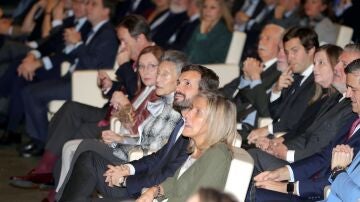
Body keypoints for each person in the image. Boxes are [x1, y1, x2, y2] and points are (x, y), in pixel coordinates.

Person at [9, 14, 153, 187]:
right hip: (111, 111)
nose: (121, 46)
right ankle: (46, 170)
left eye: (124, 41)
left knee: (77, 129)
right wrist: (109, 86)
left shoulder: (152, 59)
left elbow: (139, 94)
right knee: (69, 109)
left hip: (124, 120)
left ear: (140, 38)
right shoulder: (136, 57)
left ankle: (54, 183)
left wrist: (122, 67)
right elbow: (126, 88)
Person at [55, 64, 220, 201]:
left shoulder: (197, 131)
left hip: (147, 190)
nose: (178, 88)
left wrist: (125, 181)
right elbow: (158, 157)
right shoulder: (183, 122)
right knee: (88, 158)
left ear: (203, 94)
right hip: (142, 178)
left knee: (87, 153)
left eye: (187, 84)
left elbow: (170, 175)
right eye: (179, 82)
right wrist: (127, 169)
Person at [251, 57, 360, 201]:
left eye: (354, 89)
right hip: (312, 184)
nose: (348, 94)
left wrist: (287, 187)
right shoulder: (353, 118)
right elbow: (324, 156)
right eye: (348, 88)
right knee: (252, 185)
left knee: (253, 193)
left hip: (319, 192)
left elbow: (345, 188)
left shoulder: (349, 113)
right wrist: (280, 174)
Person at [248, 44, 351, 173]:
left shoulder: (339, 103)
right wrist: (275, 145)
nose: (315, 68)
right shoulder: (327, 98)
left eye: (321, 63)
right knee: (249, 155)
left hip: (305, 167)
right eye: (315, 63)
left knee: (251, 156)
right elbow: (300, 131)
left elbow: (313, 141)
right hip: (293, 152)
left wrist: (281, 149)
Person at [133, 92, 236, 202]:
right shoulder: (198, 150)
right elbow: (175, 182)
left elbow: (198, 199)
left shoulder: (217, 154)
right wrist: (153, 191)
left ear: (215, 122)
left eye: (197, 112)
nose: (186, 114)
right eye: (191, 108)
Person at [247, 26, 318, 145]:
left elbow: (294, 121)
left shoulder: (316, 82)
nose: (289, 57)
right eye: (287, 52)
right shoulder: (293, 76)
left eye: (295, 51)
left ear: (310, 51)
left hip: (290, 142)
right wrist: (276, 90)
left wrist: (268, 130)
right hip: (274, 134)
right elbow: (275, 114)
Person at [220, 23, 284, 137]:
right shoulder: (254, 65)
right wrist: (245, 78)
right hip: (227, 118)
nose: (261, 42)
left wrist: (254, 77)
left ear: (281, 45)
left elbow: (265, 110)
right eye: (260, 38)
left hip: (249, 130)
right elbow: (224, 92)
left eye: (267, 38)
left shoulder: (280, 73)